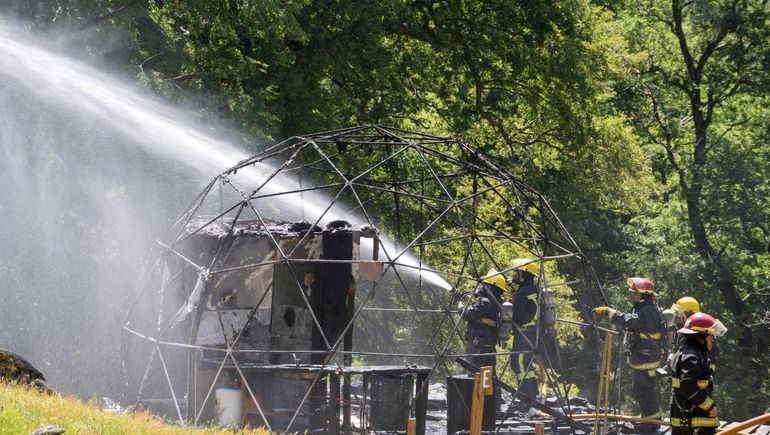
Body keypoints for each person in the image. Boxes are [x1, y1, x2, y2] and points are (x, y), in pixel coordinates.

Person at [593, 277, 664, 434]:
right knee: (642, 391)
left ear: (643, 295)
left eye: (634, 293)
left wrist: (609, 312)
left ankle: (652, 424)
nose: (631, 295)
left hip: (646, 361)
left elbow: (630, 321)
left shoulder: (646, 311)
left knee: (645, 391)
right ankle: (649, 419)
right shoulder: (644, 308)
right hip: (644, 359)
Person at [669, 312, 726, 435]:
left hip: (689, 422)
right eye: (711, 335)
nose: (713, 339)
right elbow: (687, 386)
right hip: (694, 424)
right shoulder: (692, 356)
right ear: (700, 336)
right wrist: (710, 407)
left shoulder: (689, 351)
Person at [508, 258, 540, 411]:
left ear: (523, 274)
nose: (514, 275)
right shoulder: (534, 289)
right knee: (526, 363)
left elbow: (517, 317)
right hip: (535, 333)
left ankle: (526, 399)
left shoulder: (521, 294)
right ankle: (534, 395)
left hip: (524, 333)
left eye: (516, 272)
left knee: (518, 363)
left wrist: (507, 309)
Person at [460, 268, 507, 370]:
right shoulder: (500, 303)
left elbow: (467, 314)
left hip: (478, 347)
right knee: (489, 377)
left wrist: (460, 306)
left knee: (473, 375)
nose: (482, 287)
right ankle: (494, 387)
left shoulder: (485, 301)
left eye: (485, 284)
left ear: (490, 286)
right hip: (490, 347)